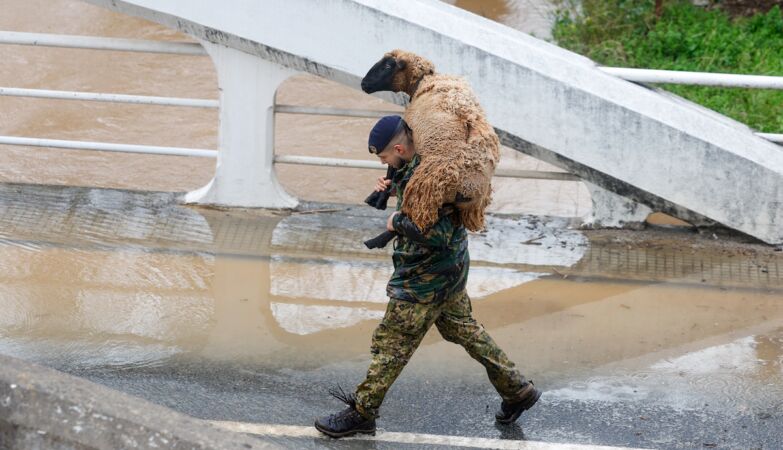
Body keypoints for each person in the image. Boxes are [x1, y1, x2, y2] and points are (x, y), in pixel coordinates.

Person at [314, 115, 540, 438]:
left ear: (399, 149)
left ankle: (362, 412)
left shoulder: (433, 177)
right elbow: (420, 203)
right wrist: (394, 185)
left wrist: (396, 222)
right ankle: (517, 390)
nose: (383, 164)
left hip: (425, 279)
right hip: (450, 271)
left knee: (391, 344)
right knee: (466, 332)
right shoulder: (421, 161)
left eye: (384, 158)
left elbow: (437, 234)